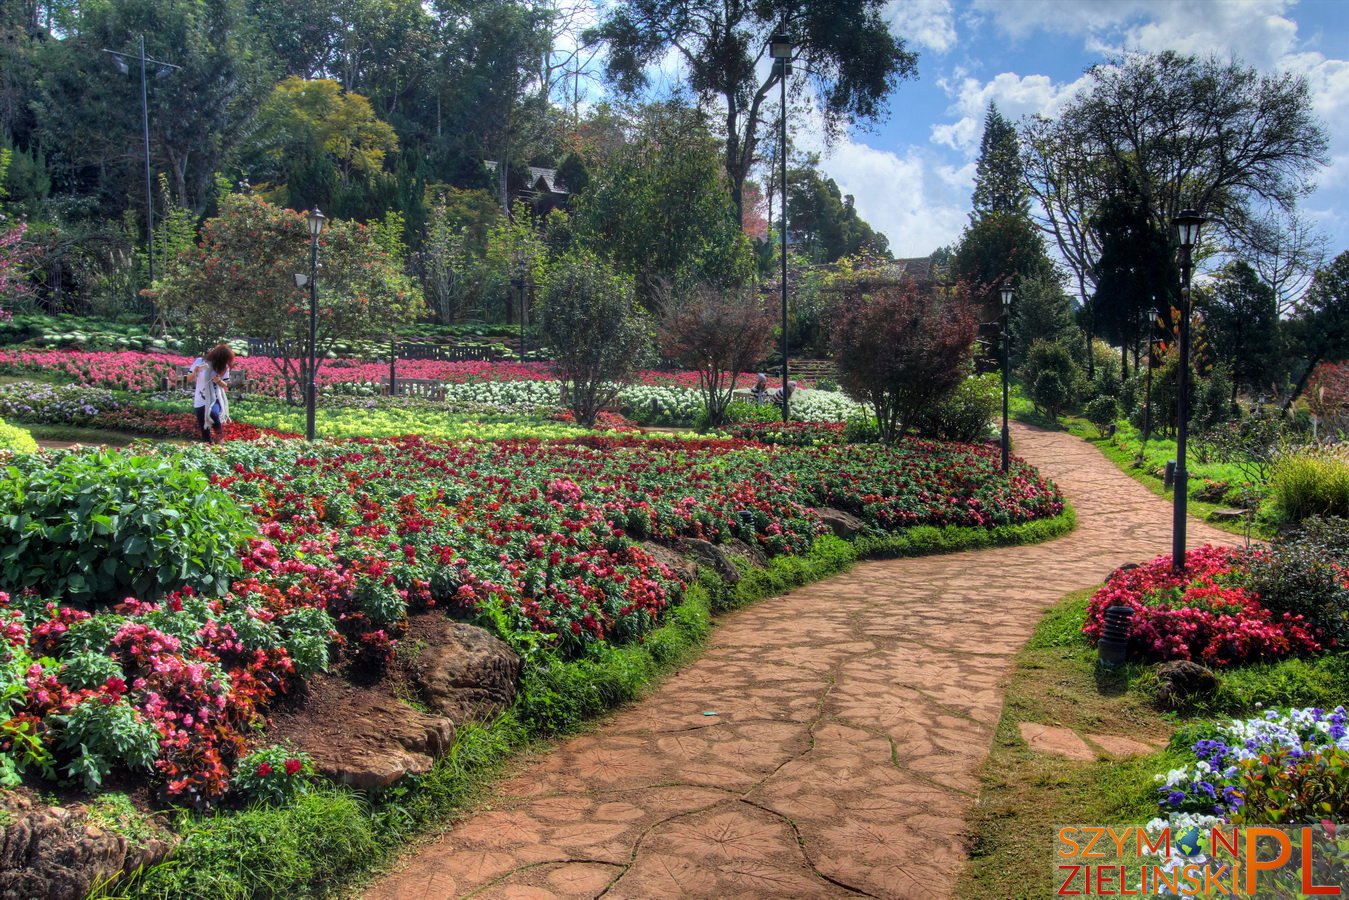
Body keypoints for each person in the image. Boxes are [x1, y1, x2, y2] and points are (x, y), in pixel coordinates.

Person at [190, 343, 234, 443]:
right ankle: (208, 448)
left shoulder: (224, 367)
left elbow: (225, 385)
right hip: (200, 398)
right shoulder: (200, 361)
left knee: (213, 413)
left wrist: (218, 380)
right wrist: (195, 372)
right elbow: (189, 378)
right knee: (204, 428)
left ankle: (221, 440)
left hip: (215, 397)